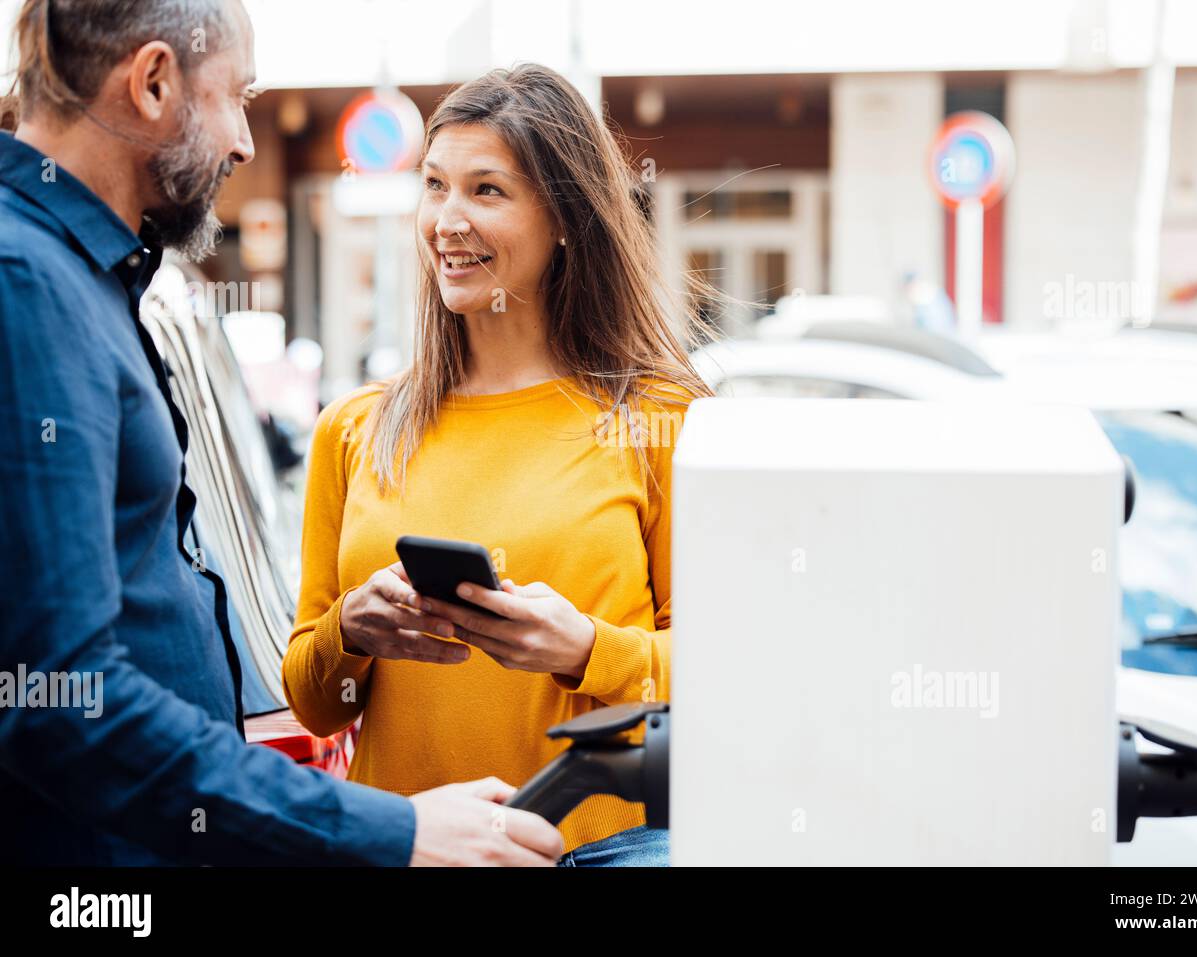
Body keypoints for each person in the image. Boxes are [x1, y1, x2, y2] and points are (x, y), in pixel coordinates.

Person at [0, 0, 562, 867]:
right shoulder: (28, 287)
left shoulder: (85, 280)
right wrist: (393, 829)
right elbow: (61, 698)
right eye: (238, 96)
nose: (245, 143)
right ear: (153, 81)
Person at [282, 64, 714, 867]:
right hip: (412, 849)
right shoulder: (356, 430)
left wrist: (587, 647)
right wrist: (350, 630)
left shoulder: (658, 420)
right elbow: (315, 704)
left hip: (608, 850)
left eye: (487, 190)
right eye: (435, 185)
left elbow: (727, 667)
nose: (449, 219)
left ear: (564, 220)